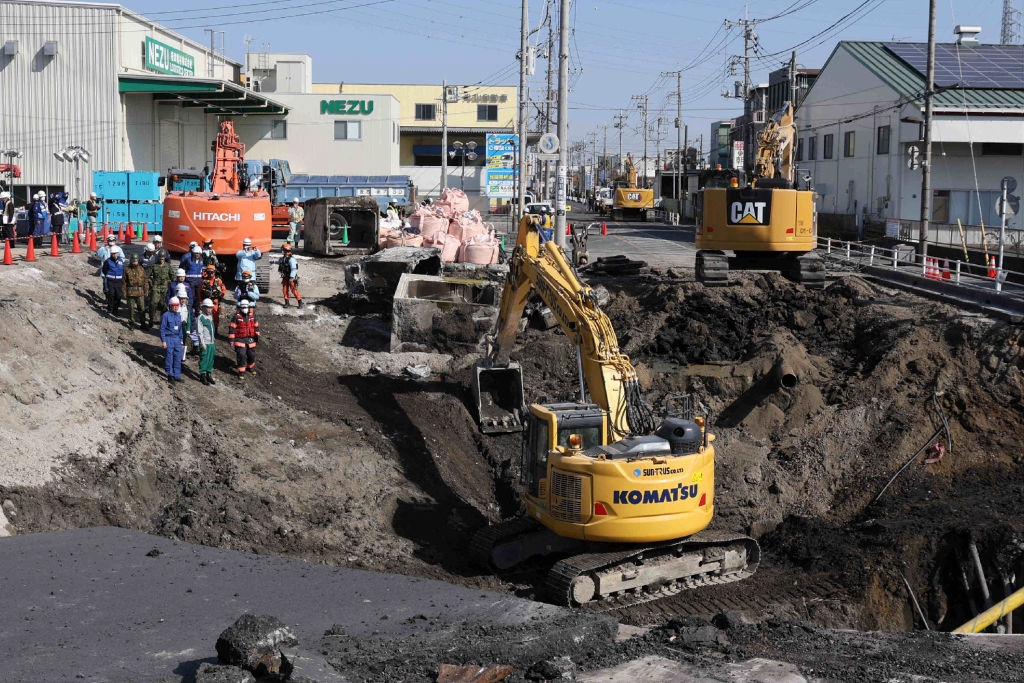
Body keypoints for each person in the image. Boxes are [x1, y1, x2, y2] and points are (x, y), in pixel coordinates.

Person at [228, 299, 260, 378]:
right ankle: (241, 371)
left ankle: (250, 367)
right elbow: (232, 329)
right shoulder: (236, 317)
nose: (245, 309)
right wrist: (231, 340)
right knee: (241, 355)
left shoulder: (252, 317)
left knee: (251, 354)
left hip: (250, 338)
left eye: (246, 307)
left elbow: (256, 327)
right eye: (243, 307)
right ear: (240, 307)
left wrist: (257, 336)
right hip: (240, 339)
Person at [160, 297, 185, 384]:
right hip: (169, 338)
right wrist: (163, 341)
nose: (175, 307)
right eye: (174, 306)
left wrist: (181, 339)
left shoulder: (179, 315)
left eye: (177, 305)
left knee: (178, 357)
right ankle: (170, 375)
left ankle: (177, 375)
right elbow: (162, 329)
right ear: (170, 306)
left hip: (177, 339)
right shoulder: (165, 315)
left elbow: (180, 329)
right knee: (169, 357)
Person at [124, 253, 151, 329]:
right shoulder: (127, 269)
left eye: (135, 261)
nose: (134, 262)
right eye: (133, 261)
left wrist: (146, 290)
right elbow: (124, 282)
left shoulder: (141, 269)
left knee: (142, 309)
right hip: (130, 292)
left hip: (140, 292)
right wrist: (124, 292)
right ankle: (131, 323)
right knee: (131, 309)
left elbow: (145, 281)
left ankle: (143, 324)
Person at [148, 251, 175, 328]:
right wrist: (151, 283)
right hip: (156, 287)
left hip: (165, 288)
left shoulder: (168, 266)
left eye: (162, 259)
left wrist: (173, 284)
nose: (161, 260)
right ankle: (151, 319)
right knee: (153, 303)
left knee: (164, 305)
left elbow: (173, 276)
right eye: (160, 259)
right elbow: (147, 276)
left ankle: (163, 320)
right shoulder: (154, 266)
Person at [198, 264, 227, 332]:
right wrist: (200, 301)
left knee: (215, 316)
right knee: (205, 316)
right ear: (206, 272)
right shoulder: (203, 281)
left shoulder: (218, 281)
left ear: (214, 272)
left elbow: (223, 290)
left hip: (214, 301)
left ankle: (215, 330)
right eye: (209, 272)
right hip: (206, 301)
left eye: (212, 272)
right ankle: (206, 329)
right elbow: (199, 292)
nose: (210, 274)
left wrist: (219, 296)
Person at [179, 244, 205, 315]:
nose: (197, 255)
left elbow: (204, 270)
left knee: (198, 297)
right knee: (191, 296)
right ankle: (189, 311)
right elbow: (182, 268)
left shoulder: (202, 260)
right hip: (190, 281)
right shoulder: (188, 260)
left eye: (198, 253)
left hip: (198, 282)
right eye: (196, 253)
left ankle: (197, 311)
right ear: (193, 253)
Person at [196, 298, 217, 385]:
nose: (209, 310)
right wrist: (202, 343)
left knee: (210, 359)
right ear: (203, 308)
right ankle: (203, 375)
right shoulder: (201, 318)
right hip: (205, 343)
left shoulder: (210, 317)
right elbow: (200, 332)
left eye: (211, 308)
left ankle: (209, 374)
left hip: (211, 342)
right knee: (204, 358)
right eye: (208, 308)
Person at [101, 245, 125, 316]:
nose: (114, 255)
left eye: (115, 253)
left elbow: (123, 270)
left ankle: (115, 310)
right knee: (111, 295)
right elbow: (104, 270)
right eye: (113, 254)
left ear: (118, 253)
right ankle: (110, 310)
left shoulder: (121, 261)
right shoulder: (107, 261)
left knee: (118, 296)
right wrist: (109, 276)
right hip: (110, 281)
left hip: (119, 281)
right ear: (111, 254)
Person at [278, 243, 304, 308]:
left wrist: (292, 277)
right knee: (285, 290)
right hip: (285, 277)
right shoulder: (284, 258)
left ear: (285, 250)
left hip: (291, 278)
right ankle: (287, 303)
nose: (282, 251)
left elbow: (294, 269)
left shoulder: (292, 259)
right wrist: (272, 262)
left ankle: (300, 302)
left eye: (283, 250)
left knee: (294, 290)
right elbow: (280, 262)